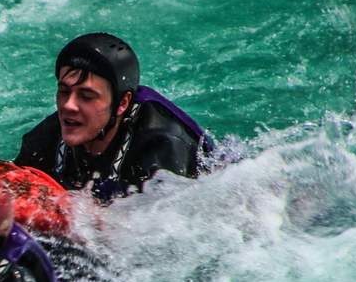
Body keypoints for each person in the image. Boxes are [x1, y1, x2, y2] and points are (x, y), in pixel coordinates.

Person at [14, 32, 215, 202]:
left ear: (122, 103)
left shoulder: (163, 148)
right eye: (64, 91)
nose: (68, 105)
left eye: (86, 96)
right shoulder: (44, 139)